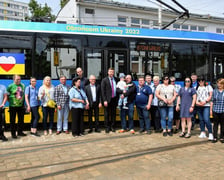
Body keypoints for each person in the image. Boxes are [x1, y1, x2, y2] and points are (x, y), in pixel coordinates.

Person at [196, 76, 213, 140]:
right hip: (199, 105)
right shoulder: (196, 88)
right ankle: (202, 131)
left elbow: (210, 96)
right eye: (199, 81)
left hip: (206, 105)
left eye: (202, 80)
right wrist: (196, 102)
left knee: (206, 119)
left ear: (204, 81)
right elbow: (195, 96)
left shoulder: (209, 87)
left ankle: (210, 133)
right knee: (201, 119)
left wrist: (205, 101)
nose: (201, 82)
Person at [101, 67, 118, 133]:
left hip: (114, 99)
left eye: (112, 72)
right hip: (107, 100)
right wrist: (104, 100)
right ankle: (107, 127)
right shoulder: (104, 80)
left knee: (113, 114)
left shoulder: (116, 79)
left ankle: (113, 127)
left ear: (113, 73)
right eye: (110, 72)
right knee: (107, 114)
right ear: (108, 72)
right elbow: (103, 91)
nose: (111, 73)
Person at [210, 78, 224, 143]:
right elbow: (212, 101)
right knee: (215, 125)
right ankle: (215, 137)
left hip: (223, 110)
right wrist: (211, 110)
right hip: (215, 110)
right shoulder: (215, 91)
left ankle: (222, 137)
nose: (219, 85)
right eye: (218, 83)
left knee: (223, 125)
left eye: (220, 84)